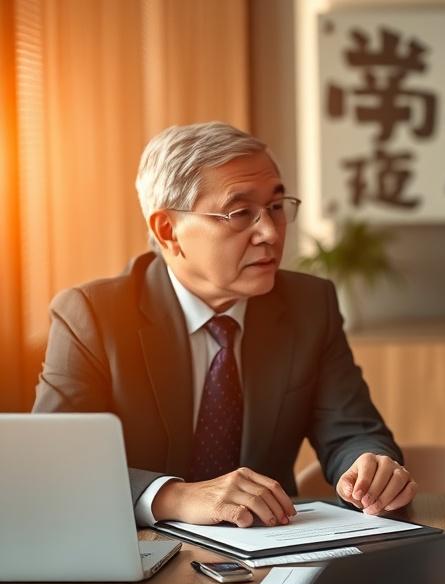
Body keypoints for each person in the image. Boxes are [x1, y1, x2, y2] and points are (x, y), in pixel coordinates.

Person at [34, 122, 416, 528]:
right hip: (138, 549)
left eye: (276, 206)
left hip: (272, 546)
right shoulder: (92, 316)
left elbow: (351, 430)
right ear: (168, 230)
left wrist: (369, 466)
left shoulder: (308, 305)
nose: (270, 233)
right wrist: (174, 497)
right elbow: (51, 467)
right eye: (240, 213)